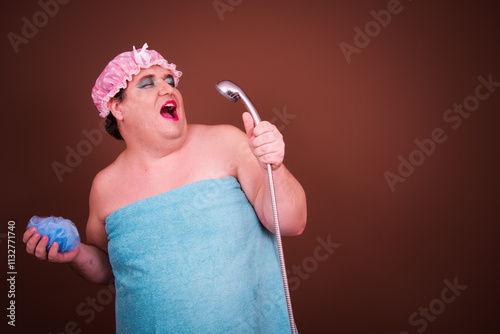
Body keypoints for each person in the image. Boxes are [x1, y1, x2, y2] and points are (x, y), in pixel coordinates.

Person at [24, 43, 307, 333]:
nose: (167, 88)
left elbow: (291, 222)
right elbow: (111, 267)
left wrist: (275, 165)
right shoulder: (105, 186)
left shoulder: (227, 143)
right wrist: (75, 255)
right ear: (116, 106)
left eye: (169, 80)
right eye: (147, 84)